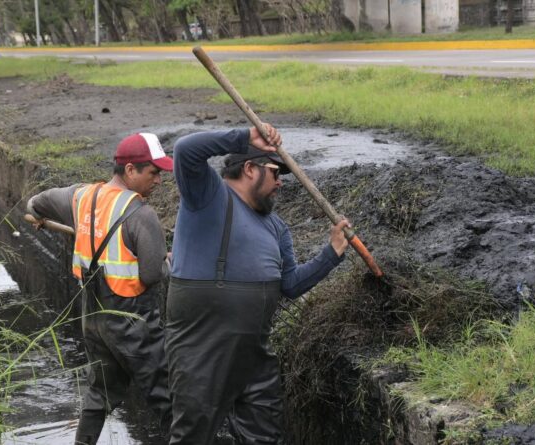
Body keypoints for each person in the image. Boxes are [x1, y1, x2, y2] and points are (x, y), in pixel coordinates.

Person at [165, 124, 350, 444]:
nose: (280, 182)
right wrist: (242, 137)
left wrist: (330, 255)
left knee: (264, 435)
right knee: (193, 434)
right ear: (249, 168)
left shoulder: (276, 227)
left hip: (254, 350)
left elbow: (290, 285)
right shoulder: (207, 194)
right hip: (205, 346)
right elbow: (185, 149)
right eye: (275, 172)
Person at [26, 133, 174, 444]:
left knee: (99, 391)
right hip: (134, 322)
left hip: (93, 316)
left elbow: (35, 204)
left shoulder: (81, 197)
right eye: (154, 172)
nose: (159, 181)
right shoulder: (141, 215)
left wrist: (40, 218)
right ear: (131, 170)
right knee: (167, 395)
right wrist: (168, 261)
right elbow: (151, 274)